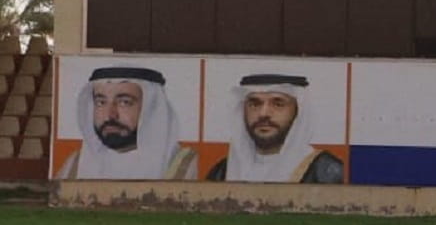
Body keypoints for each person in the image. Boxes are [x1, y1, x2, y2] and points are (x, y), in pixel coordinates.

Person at [61, 66, 197, 181]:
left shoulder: (181, 165)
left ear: (151, 108)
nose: (110, 115)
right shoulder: (75, 163)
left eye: (124, 102)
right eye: (101, 102)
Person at [206, 73, 345, 184]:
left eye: (278, 104)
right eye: (255, 104)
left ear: (298, 112)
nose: (263, 114)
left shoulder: (325, 170)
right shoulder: (222, 172)